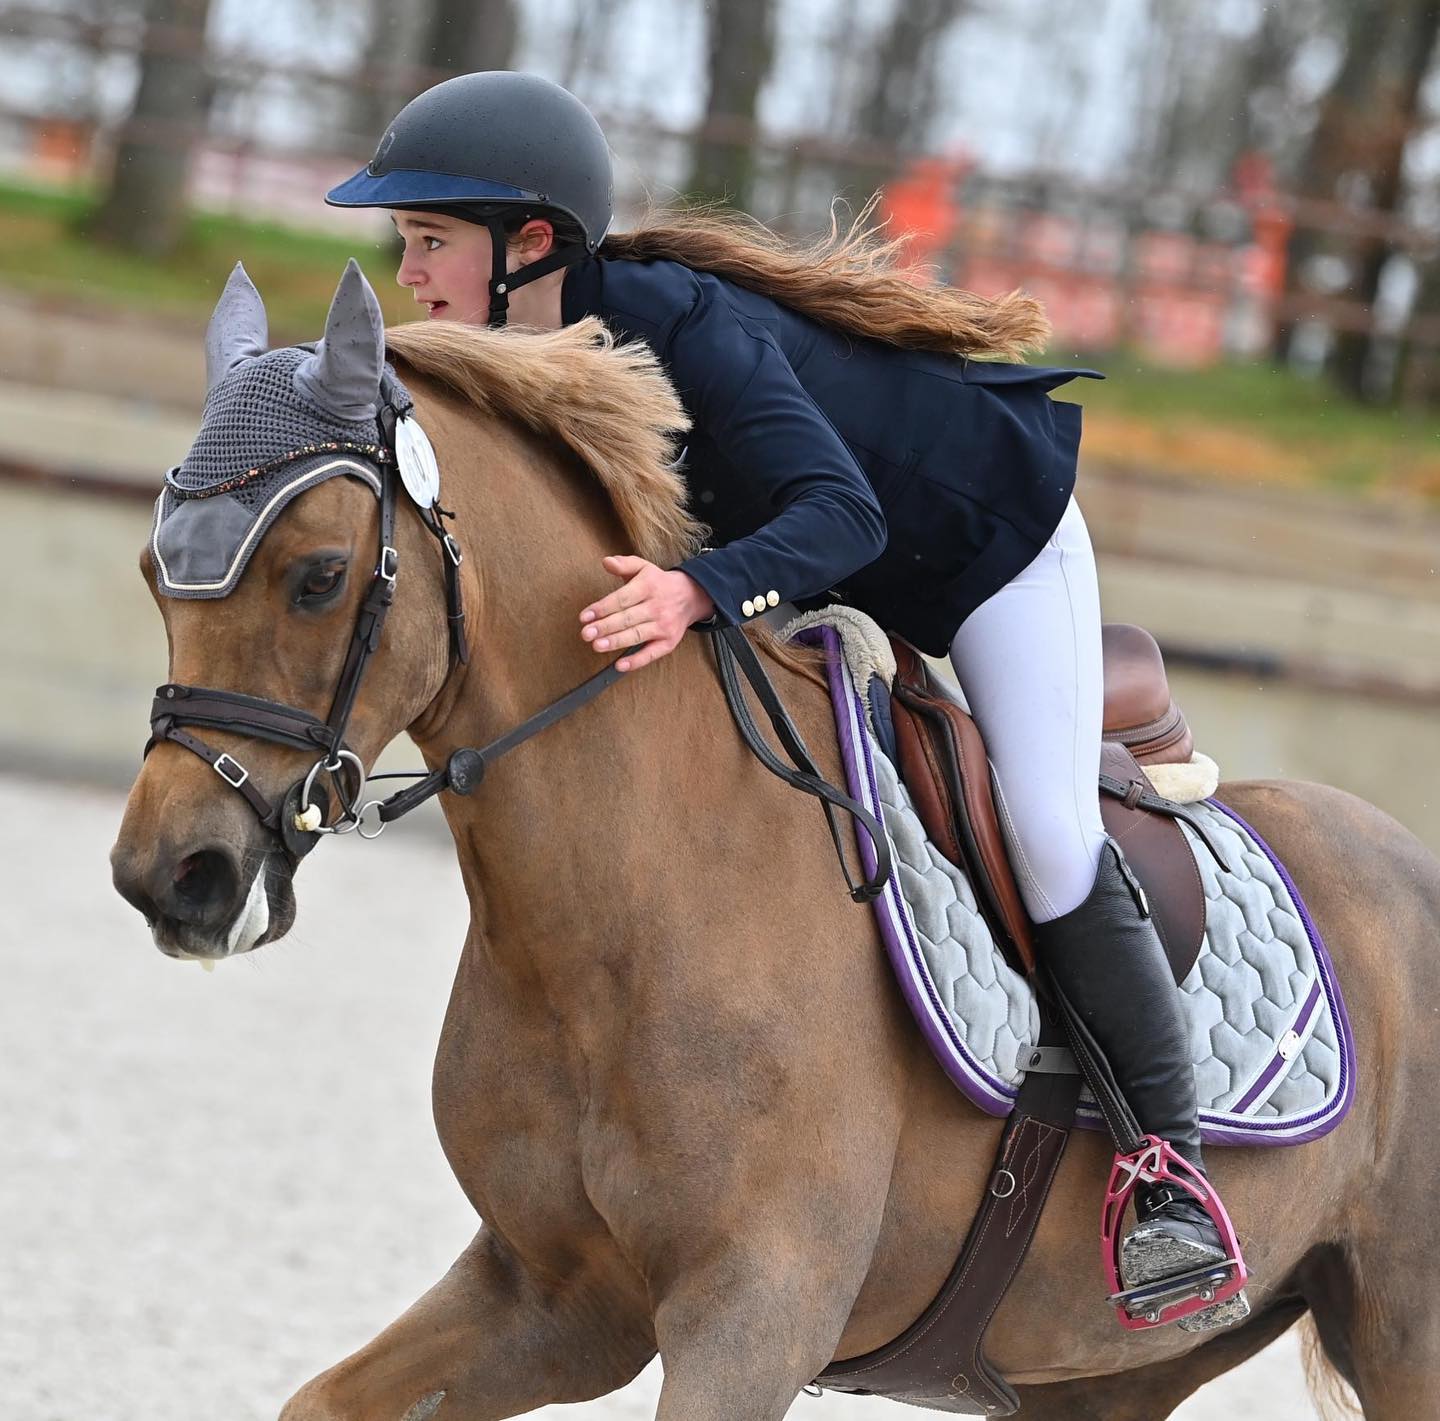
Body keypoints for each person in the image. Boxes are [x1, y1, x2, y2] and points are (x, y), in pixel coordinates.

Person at [326, 70, 1236, 1316]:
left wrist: (698, 592)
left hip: (986, 552)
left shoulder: (678, 323)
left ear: (527, 243)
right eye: (405, 241)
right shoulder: (527, 342)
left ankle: (1169, 1170)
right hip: (820, 564)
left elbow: (845, 514)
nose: (411, 269)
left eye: (430, 239)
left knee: (1044, 825)